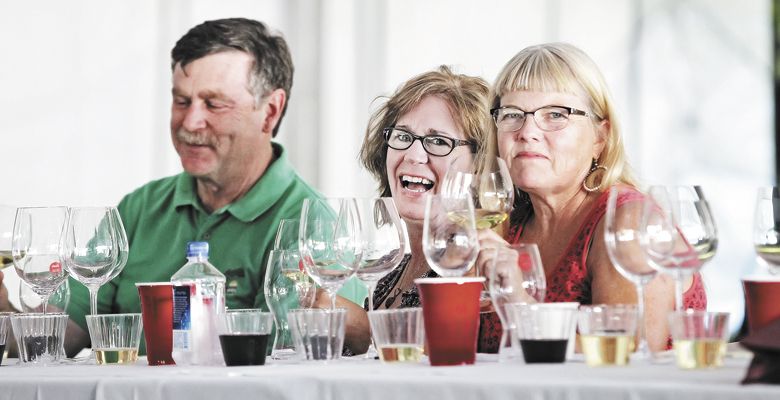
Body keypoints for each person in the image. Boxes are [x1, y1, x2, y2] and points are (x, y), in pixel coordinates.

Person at [0, 18, 367, 356]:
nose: (190, 121)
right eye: (181, 100)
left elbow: (297, 366)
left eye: (214, 103)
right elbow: (56, 339)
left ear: (270, 111)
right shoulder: (140, 208)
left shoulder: (312, 224)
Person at [476, 42, 707, 352]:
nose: (527, 131)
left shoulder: (628, 222)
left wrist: (519, 303)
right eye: (512, 114)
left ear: (601, 137)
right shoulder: (504, 225)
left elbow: (629, 355)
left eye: (556, 114)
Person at [348, 65, 494, 351]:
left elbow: (444, 363)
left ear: (479, 166)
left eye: (438, 142)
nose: (414, 155)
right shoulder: (391, 272)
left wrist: (360, 328)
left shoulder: (476, 266)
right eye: (402, 136)